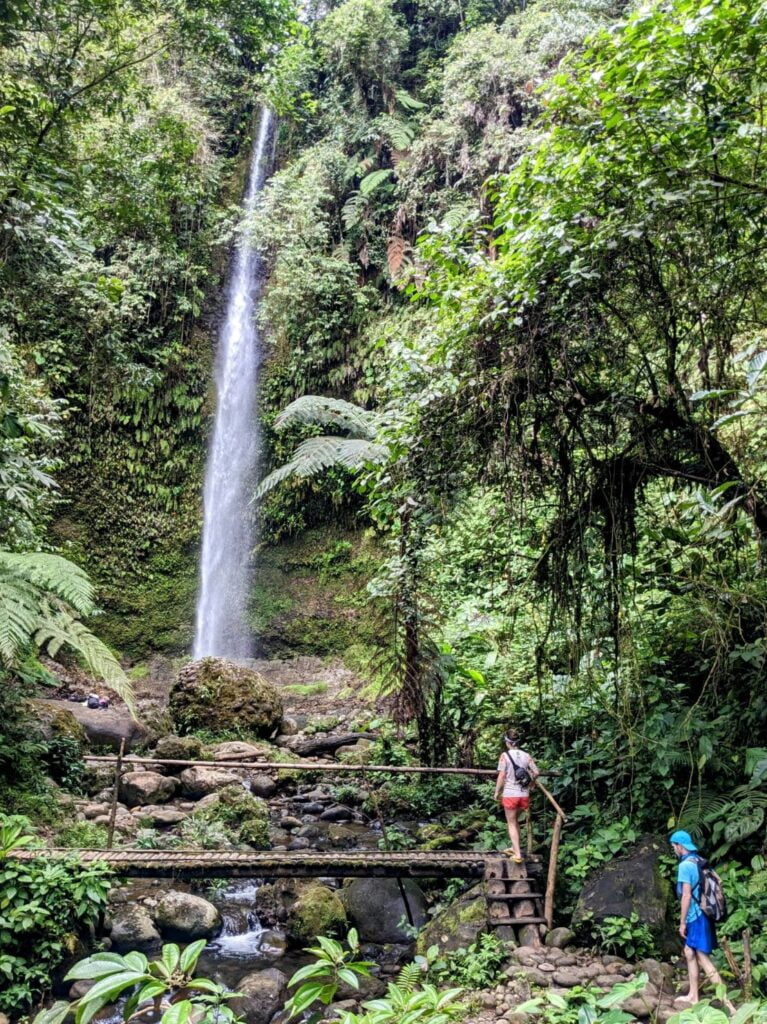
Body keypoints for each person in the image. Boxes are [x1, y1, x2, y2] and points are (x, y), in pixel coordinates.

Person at [669, 830, 734, 1013]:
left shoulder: (685, 866)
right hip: (704, 914)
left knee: (703, 958)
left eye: (674, 846)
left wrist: (682, 922)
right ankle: (693, 995)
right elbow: (717, 881)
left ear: (679, 846)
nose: (673, 849)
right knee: (689, 951)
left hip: (695, 917)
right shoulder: (699, 860)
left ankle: (728, 1005)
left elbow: (686, 896)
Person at [494, 728, 539, 862]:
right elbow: (536, 772)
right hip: (524, 794)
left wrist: (497, 792)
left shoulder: (505, 756)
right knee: (515, 821)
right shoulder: (526, 755)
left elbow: (502, 775)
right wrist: (531, 784)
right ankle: (515, 848)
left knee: (511, 823)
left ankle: (518, 854)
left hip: (510, 794)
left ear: (507, 742)